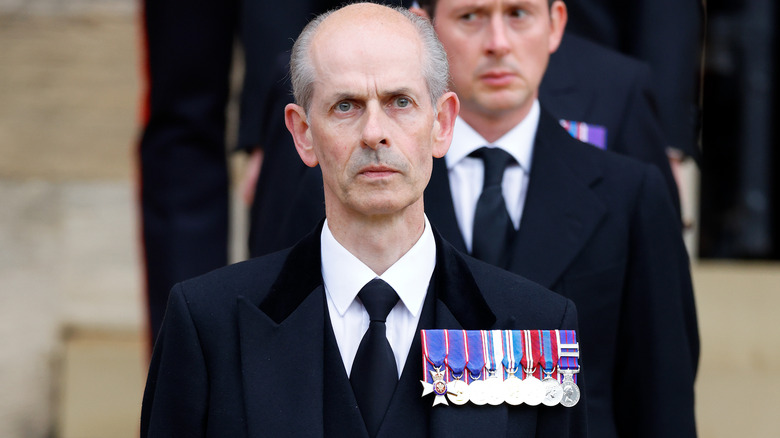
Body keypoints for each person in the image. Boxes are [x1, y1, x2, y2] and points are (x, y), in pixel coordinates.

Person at [141, 4, 586, 437]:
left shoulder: (534, 324)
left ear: (442, 124)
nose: (375, 132)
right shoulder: (207, 326)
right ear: (302, 133)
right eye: (346, 106)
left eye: (400, 101)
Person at [413, 0, 698, 437]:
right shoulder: (380, 191)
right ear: (426, 30)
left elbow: (662, 392)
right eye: (470, 16)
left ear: (555, 24)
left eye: (518, 14)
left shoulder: (631, 193)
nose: (498, 43)